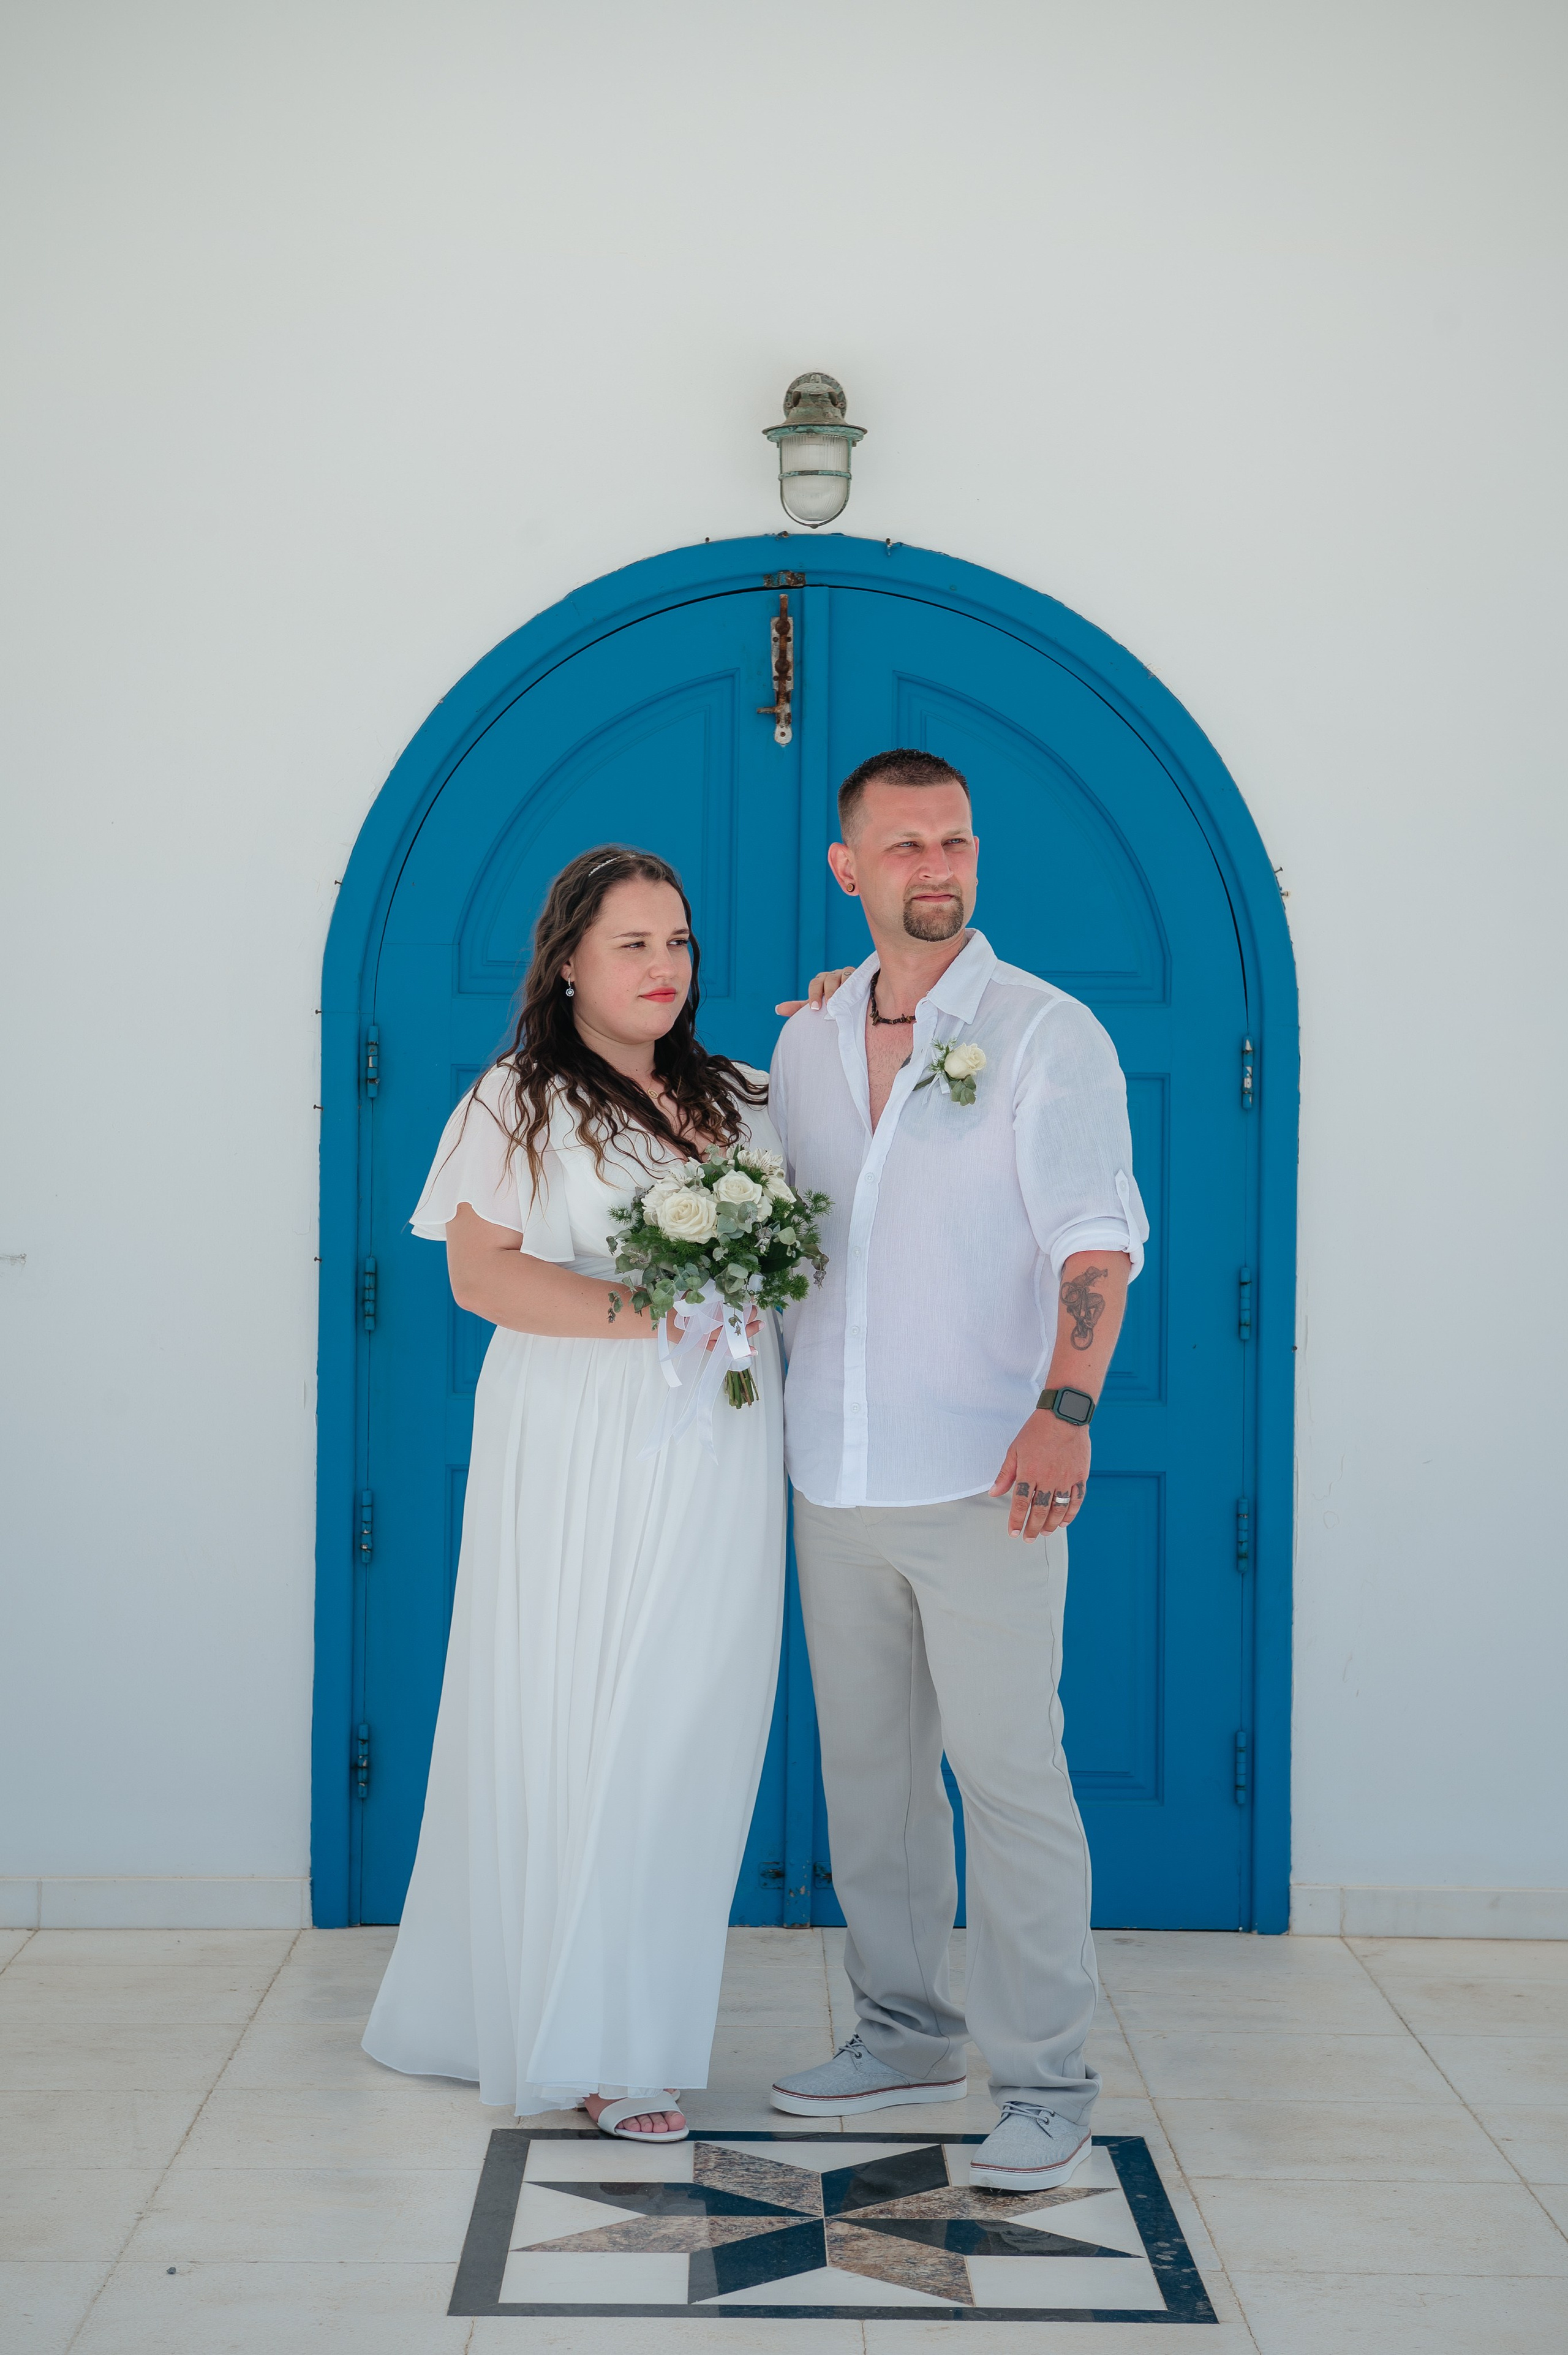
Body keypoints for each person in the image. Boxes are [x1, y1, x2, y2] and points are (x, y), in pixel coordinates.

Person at [766, 748, 1148, 2193]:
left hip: (990, 1476)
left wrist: (1067, 1406)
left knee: (1007, 1777)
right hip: (833, 1472)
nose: (937, 864)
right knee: (868, 1781)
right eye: (905, 843)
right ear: (846, 868)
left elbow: (1093, 1241)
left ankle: (1045, 2079)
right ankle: (901, 2029)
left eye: (957, 841)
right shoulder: (803, 1045)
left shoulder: (1047, 1034)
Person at [363, 846, 788, 2143]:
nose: (663, 966)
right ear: (566, 962)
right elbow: (482, 1278)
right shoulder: (519, 1097)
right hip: (581, 1433)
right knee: (588, 1709)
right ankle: (592, 2047)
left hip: (718, 1439)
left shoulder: (739, 1092)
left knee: (686, 1720)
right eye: (632, 944)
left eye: (678, 940)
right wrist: (657, 1306)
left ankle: (632, 2012)